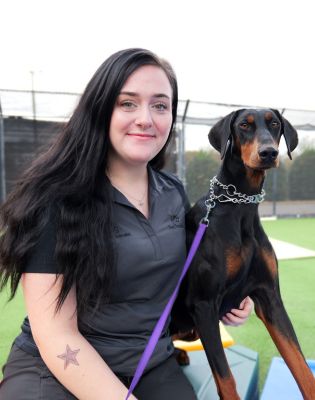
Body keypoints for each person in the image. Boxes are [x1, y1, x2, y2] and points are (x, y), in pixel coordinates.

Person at [0, 48, 253, 400]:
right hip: (56, 370)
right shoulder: (54, 199)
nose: (146, 118)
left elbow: (187, 281)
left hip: (150, 364)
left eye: (160, 105)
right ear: (101, 109)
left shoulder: (174, 193)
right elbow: (57, 336)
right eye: (128, 103)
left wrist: (227, 296)